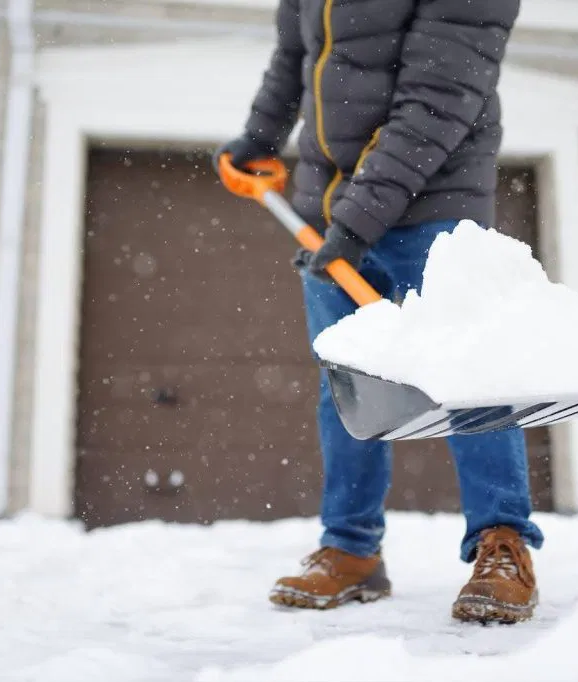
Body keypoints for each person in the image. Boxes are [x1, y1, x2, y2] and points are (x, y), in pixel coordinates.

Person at [213, 0, 543, 624]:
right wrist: (260, 136)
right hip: (331, 206)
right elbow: (296, 56)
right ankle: (350, 547)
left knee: (471, 373)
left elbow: (440, 98)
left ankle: (503, 544)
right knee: (346, 386)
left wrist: (358, 218)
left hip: (433, 201)